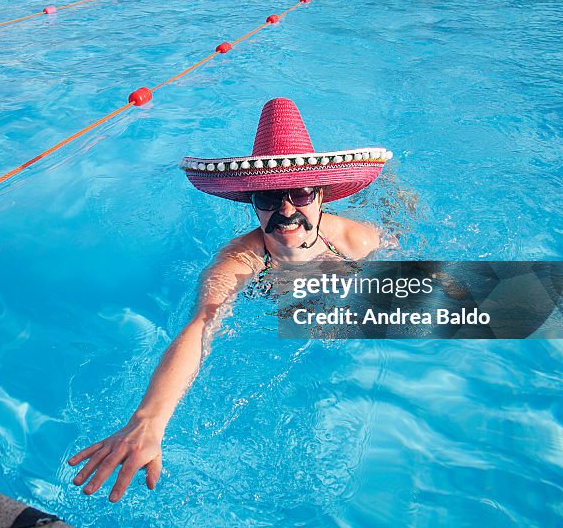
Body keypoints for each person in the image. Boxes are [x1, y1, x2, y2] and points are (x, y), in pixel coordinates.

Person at [68, 98, 387, 501]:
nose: (286, 210)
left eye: (301, 193)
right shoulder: (237, 260)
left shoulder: (356, 241)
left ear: (322, 196)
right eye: (269, 199)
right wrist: (149, 419)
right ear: (251, 204)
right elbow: (203, 323)